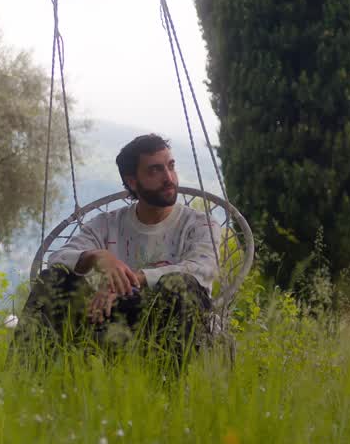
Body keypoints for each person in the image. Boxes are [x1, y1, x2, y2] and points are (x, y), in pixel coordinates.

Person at [12, 134, 217, 368]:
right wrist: (98, 256)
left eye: (170, 166)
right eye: (155, 171)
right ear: (132, 182)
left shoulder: (201, 224)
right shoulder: (107, 224)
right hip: (110, 315)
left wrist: (129, 280)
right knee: (53, 279)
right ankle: (24, 382)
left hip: (173, 315)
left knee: (181, 284)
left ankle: (166, 397)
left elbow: (203, 268)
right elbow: (57, 257)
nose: (168, 178)